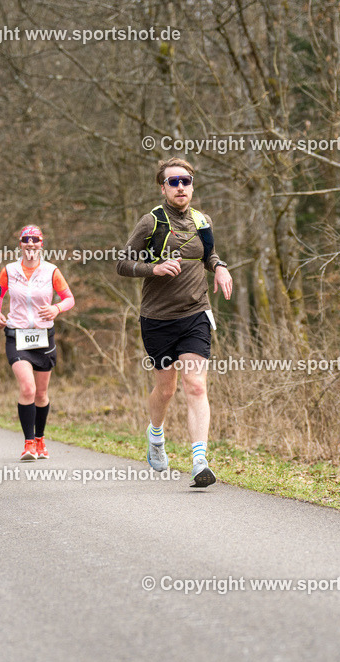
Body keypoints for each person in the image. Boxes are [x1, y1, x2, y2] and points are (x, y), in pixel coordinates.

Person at [116, 158, 233, 488]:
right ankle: (155, 434)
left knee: (195, 384)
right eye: (173, 182)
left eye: (186, 180)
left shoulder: (201, 220)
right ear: (163, 187)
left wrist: (220, 266)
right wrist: (152, 268)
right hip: (157, 318)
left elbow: (209, 255)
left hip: (195, 313)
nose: (181, 186)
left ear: (192, 185)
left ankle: (199, 461)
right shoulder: (150, 222)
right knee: (165, 389)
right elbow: (123, 264)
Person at [0, 225, 75, 460]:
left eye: (35, 240)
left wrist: (55, 308)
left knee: (41, 393)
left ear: (41, 244)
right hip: (16, 335)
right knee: (27, 388)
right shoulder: (9, 270)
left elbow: (69, 299)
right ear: (20, 244)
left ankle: (40, 439)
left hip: (43, 337)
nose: (31, 244)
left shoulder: (51, 271)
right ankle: (28, 443)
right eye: (26, 240)